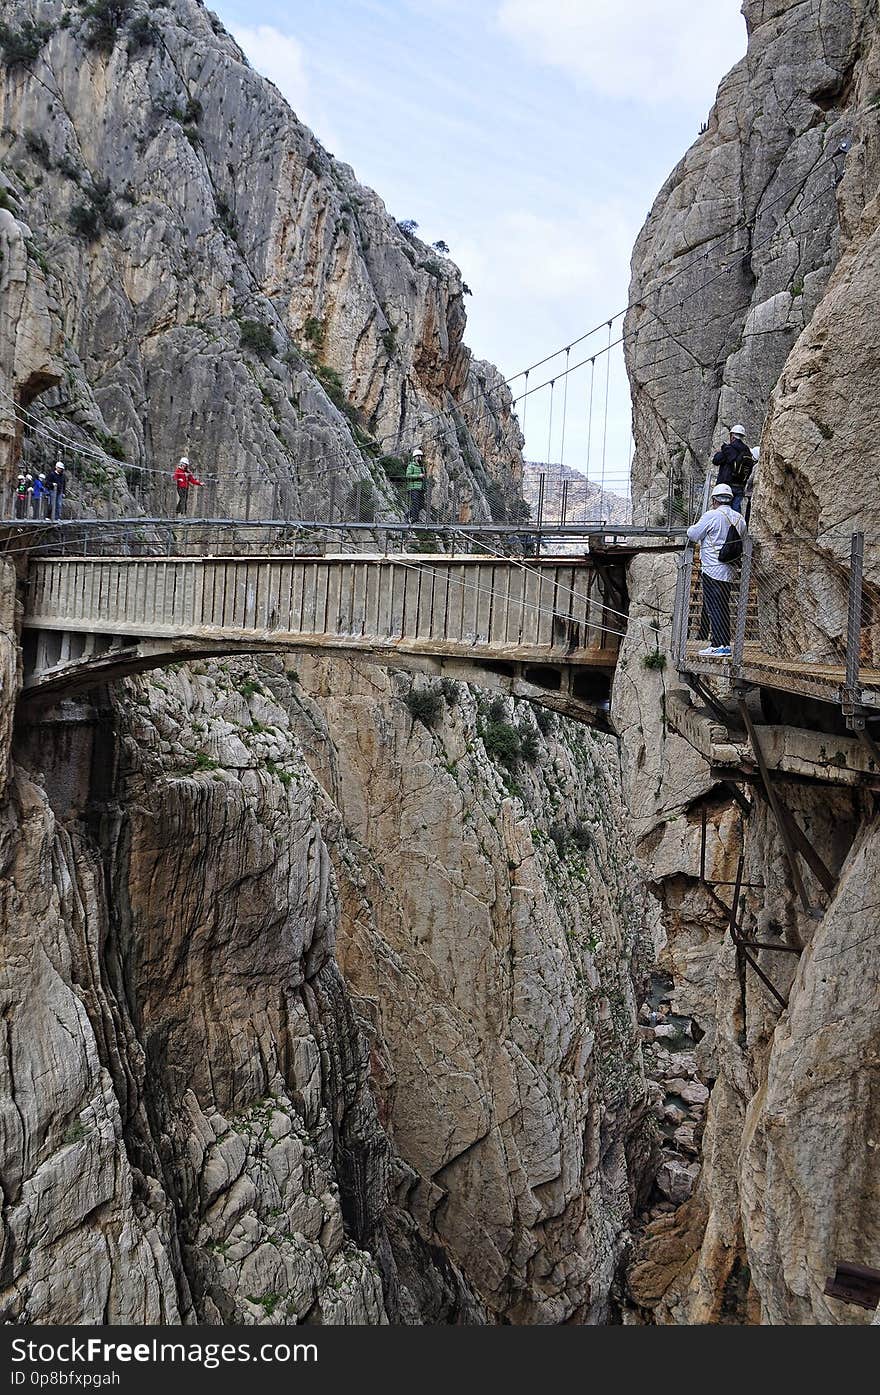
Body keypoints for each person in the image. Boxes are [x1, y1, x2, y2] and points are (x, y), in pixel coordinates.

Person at [686, 482, 747, 655]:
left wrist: (692, 526)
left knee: (715, 607)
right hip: (729, 569)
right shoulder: (739, 518)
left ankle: (721, 645)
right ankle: (719, 643)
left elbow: (694, 534)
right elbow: (742, 538)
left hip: (713, 568)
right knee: (722, 605)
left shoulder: (712, 515)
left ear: (714, 500)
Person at [712, 423, 753, 513]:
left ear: (732, 436)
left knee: (723, 511)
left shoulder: (728, 449)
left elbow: (715, 461)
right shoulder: (747, 451)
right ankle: (736, 526)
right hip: (740, 485)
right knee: (735, 511)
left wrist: (721, 451)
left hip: (726, 486)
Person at [405, 448, 425, 522]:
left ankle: (408, 515)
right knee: (416, 503)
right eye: (418, 456)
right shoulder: (411, 466)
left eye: (420, 456)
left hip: (421, 488)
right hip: (413, 487)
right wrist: (418, 476)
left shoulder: (421, 466)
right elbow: (408, 475)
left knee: (421, 505)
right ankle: (415, 518)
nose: (420, 458)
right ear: (415, 457)